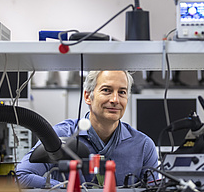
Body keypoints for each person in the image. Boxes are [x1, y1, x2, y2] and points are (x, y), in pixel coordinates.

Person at [16, 71, 159, 188]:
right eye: (106, 90)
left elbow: (155, 189)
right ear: (87, 96)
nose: (115, 99)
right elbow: (22, 175)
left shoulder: (143, 146)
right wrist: (64, 187)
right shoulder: (61, 136)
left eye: (122, 92)